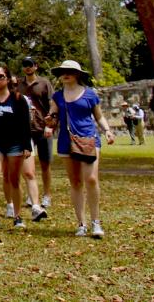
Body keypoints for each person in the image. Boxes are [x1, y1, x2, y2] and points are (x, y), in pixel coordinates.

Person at [46, 60, 115, 238]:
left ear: (77, 74)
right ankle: (81, 223)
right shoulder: (58, 97)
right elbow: (53, 117)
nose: (66, 74)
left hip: (89, 139)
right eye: (63, 71)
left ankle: (96, 222)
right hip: (66, 141)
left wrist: (107, 130)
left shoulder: (90, 95)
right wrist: (49, 123)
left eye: (70, 71)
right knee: (75, 182)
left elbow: (98, 117)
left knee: (91, 179)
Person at [0, 65, 43, 230]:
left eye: (0, 76)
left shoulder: (18, 99)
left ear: (7, 78)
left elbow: (24, 124)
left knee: (14, 180)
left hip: (15, 145)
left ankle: (18, 216)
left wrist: (26, 145)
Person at [16, 57, 54, 207]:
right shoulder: (19, 84)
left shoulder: (44, 83)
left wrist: (49, 124)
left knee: (45, 164)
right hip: (26, 130)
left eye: (30, 65)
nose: (27, 68)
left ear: (36, 67)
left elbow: (52, 105)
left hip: (42, 129)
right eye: (25, 65)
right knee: (26, 165)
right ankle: (31, 195)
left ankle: (47, 195)